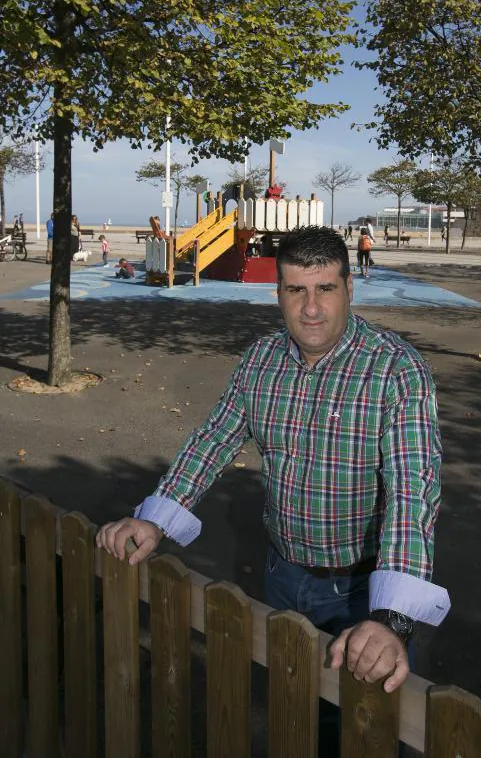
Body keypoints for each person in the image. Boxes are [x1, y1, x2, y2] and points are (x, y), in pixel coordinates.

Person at [97, 226, 449, 694]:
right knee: (291, 701)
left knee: (364, 724)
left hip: (363, 589)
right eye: (295, 290)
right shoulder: (260, 360)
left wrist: (391, 619)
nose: (311, 308)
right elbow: (212, 441)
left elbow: (413, 492)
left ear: (349, 288)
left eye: (326, 288)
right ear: (277, 292)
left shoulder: (396, 369)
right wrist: (155, 518)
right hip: (282, 574)